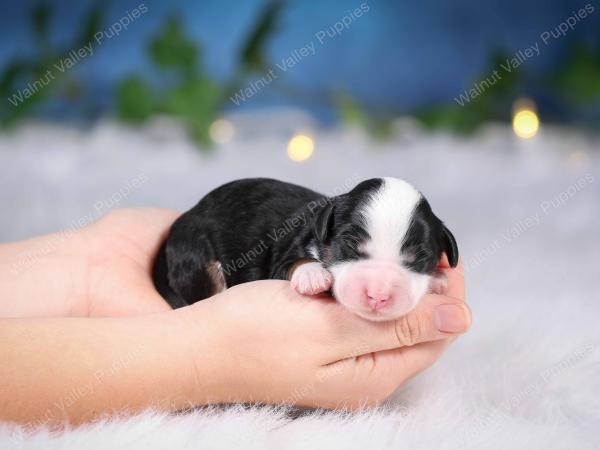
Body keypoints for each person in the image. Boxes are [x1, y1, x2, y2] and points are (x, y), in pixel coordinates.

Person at [0, 208, 471, 426]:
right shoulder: (311, 239)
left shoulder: (334, 222)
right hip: (202, 250)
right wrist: (205, 354)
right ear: (328, 234)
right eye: (355, 254)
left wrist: (89, 263)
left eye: (414, 262)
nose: (379, 289)